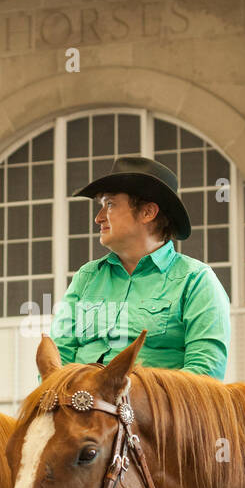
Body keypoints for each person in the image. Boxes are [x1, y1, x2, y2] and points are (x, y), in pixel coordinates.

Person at [50, 156, 230, 379]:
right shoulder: (85, 278)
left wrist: (130, 400)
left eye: (110, 204)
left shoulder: (196, 281)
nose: (98, 218)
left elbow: (204, 377)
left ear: (147, 212)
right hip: (79, 409)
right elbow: (57, 361)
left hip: (155, 413)